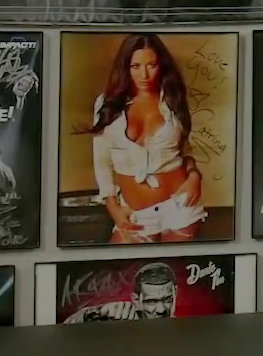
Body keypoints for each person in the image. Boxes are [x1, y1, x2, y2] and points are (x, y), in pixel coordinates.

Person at [83, 34, 206, 244]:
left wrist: (195, 176)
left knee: (173, 265)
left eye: (152, 65)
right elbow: (102, 162)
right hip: (134, 213)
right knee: (119, 264)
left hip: (180, 206)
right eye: (136, 66)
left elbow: (183, 148)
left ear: (161, 65)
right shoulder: (107, 104)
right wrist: (113, 208)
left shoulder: (172, 99)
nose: (144, 75)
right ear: (126, 67)